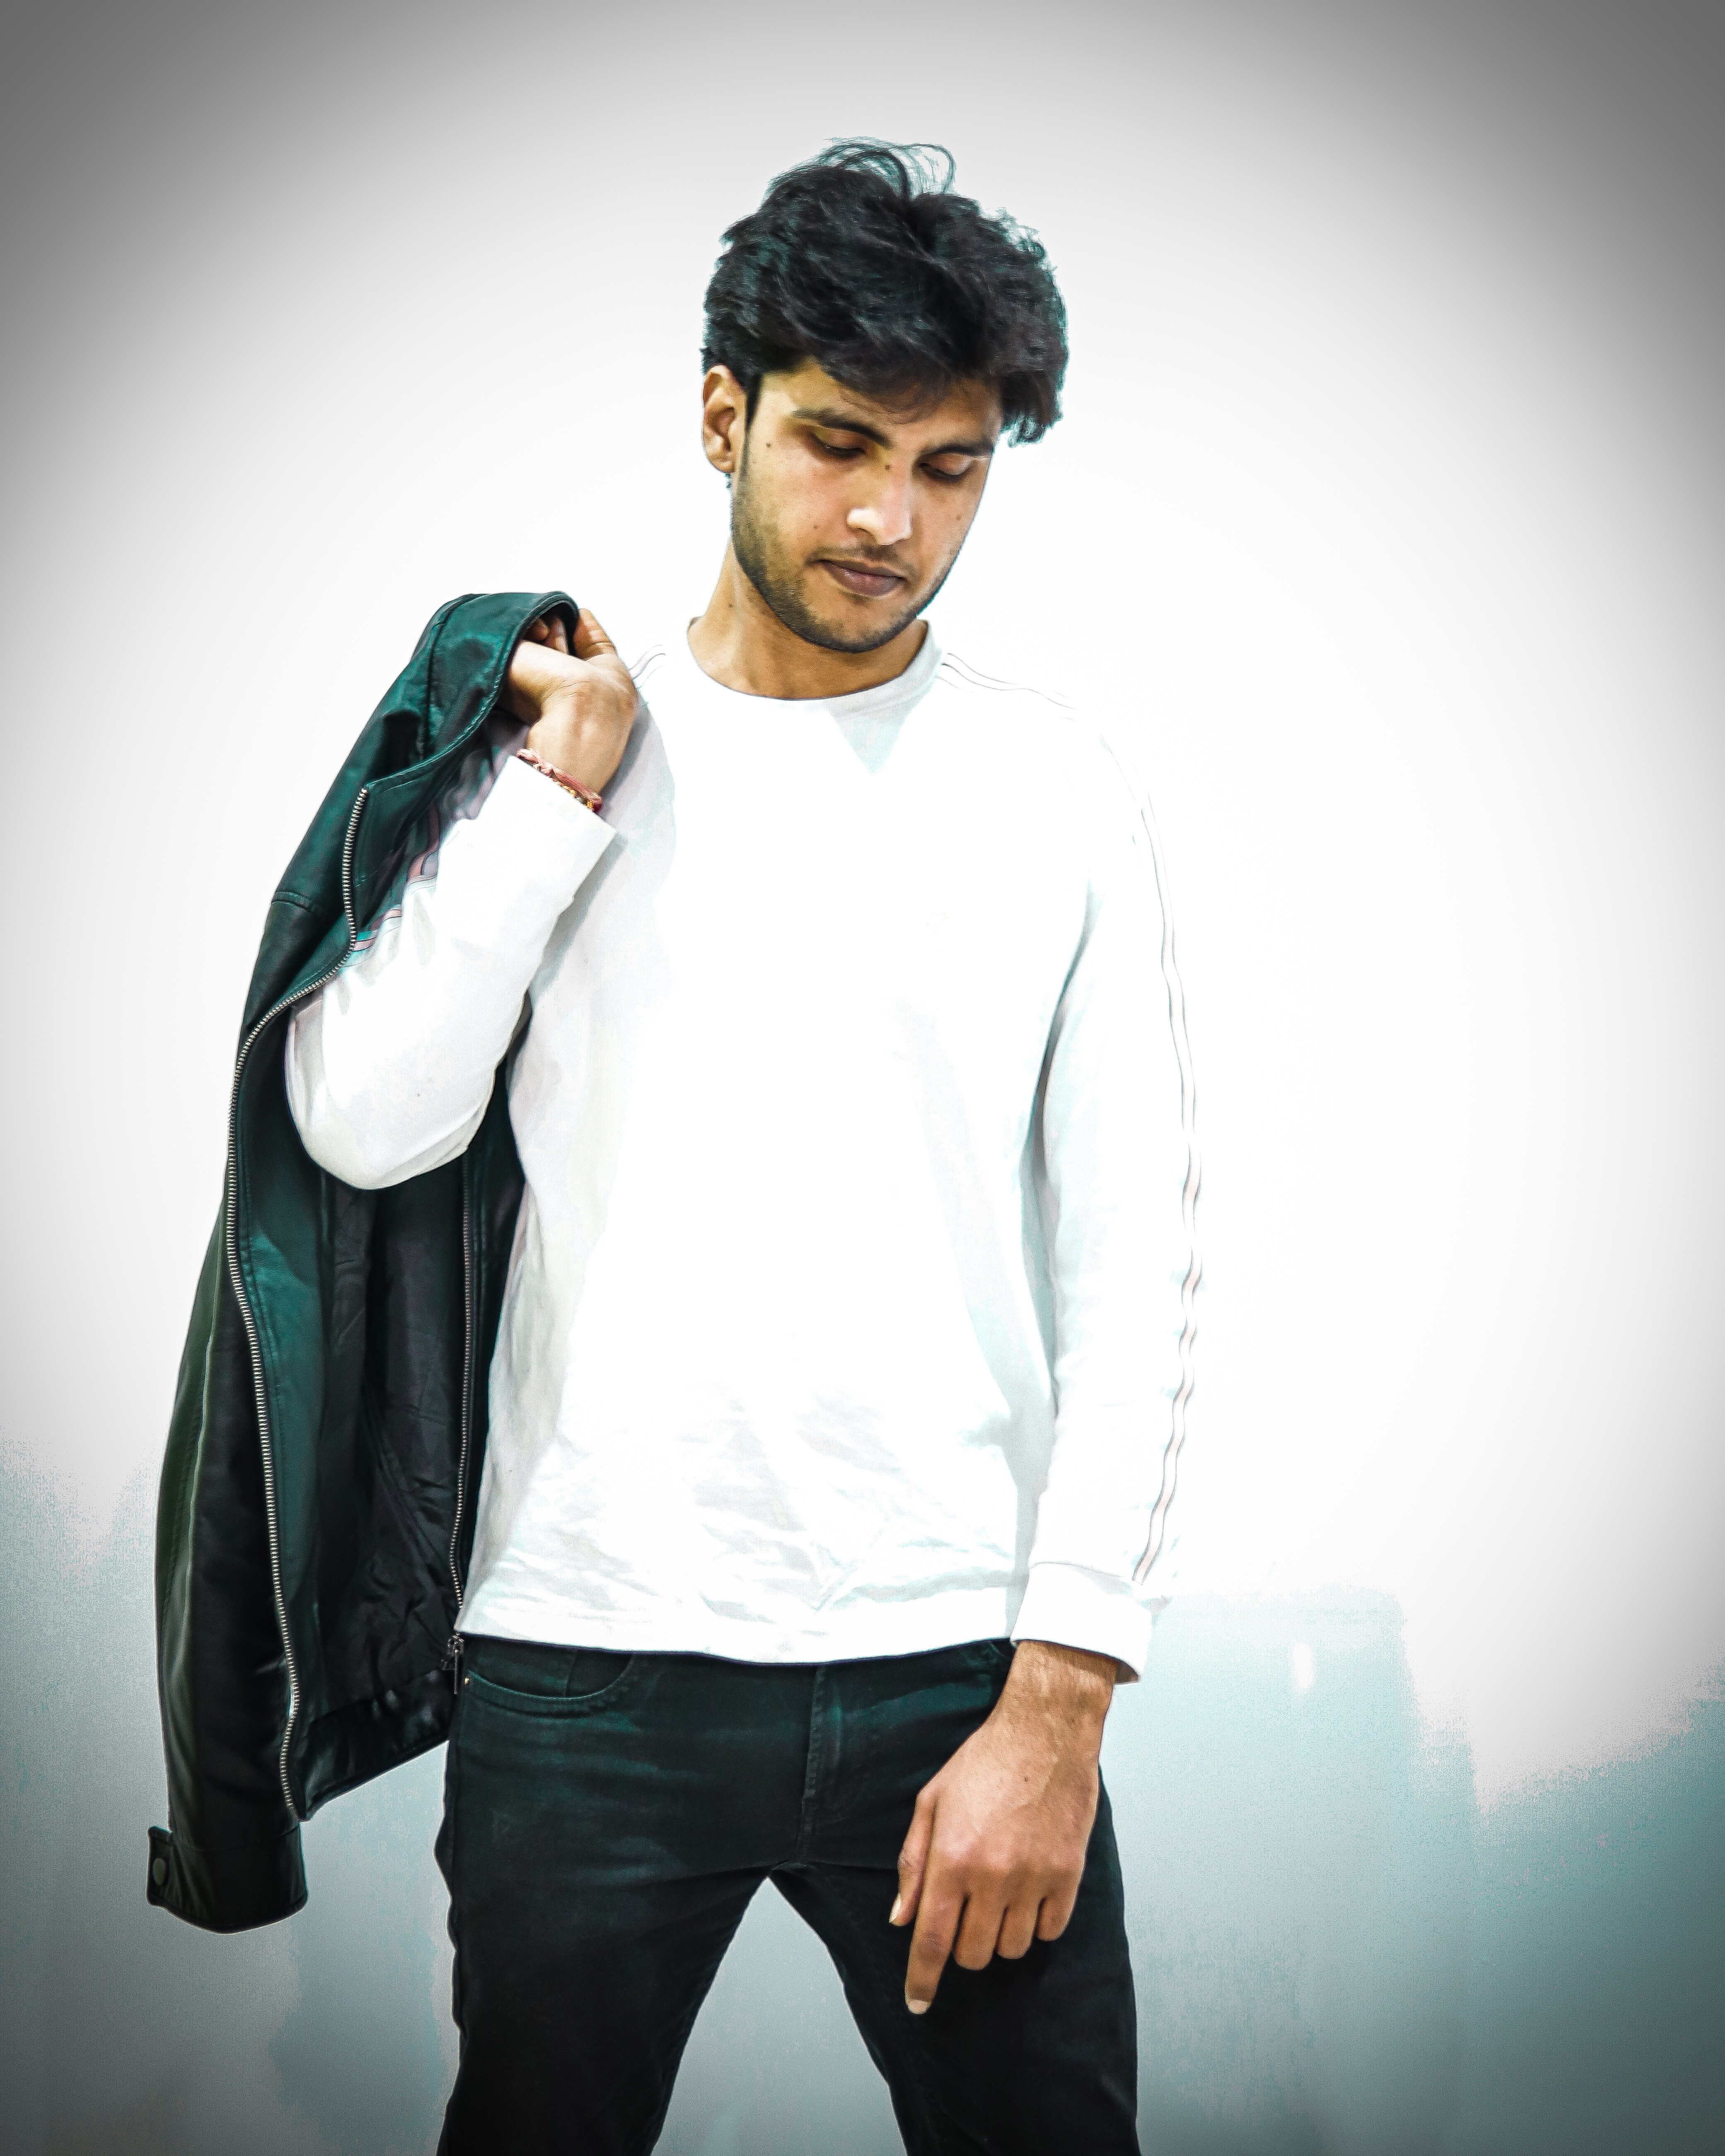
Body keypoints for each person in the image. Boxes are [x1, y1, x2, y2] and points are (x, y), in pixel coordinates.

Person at [284, 140, 1195, 2156]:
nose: (887, 518)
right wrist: (552, 803)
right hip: (584, 1654)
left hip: (956, 1665)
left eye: (948, 468)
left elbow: (1132, 1264)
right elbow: (358, 1123)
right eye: (837, 442)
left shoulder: (1052, 788)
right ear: (723, 415)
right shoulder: (561, 738)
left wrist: (1059, 1698)